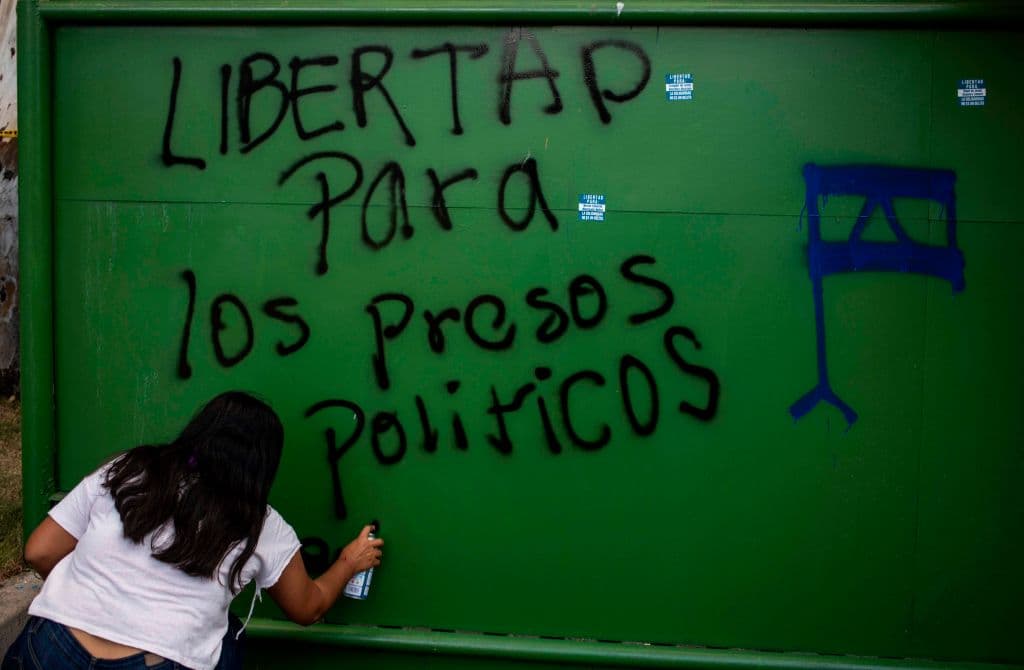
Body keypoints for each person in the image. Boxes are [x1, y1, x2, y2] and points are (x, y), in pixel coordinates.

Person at [2, 391, 383, 670]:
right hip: (161, 660)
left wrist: (97, 594)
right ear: (262, 466)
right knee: (227, 634)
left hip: (51, 649)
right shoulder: (261, 524)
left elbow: (40, 550)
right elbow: (307, 607)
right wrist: (350, 561)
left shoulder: (130, 470)